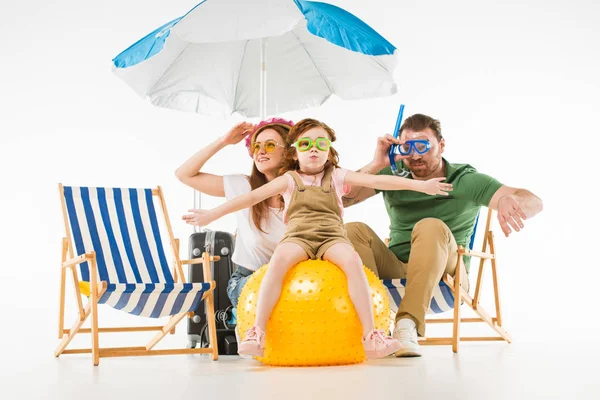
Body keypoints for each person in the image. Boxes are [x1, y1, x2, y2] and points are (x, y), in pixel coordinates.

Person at [183, 118, 453, 359]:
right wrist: (211, 215)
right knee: (277, 266)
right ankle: (257, 332)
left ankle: (373, 334)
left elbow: (378, 181)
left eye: (320, 143)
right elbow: (250, 198)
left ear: (329, 151)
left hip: (331, 237)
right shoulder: (288, 180)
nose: (313, 148)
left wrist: (421, 185)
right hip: (296, 239)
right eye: (306, 143)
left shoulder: (335, 176)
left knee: (354, 265)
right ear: (295, 151)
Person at [342, 113, 544, 357]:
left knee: (429, 226)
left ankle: (407, 325)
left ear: (442, 145)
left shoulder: (464, 180)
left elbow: (534, 201)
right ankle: (374, 328)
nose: (415, 155)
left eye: (423, 145)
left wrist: (510, 200)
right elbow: (340, 197)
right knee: (352, 230)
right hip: (395, 269)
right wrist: (376, 164)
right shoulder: (394, 176)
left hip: (447, 277)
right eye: (407, 147)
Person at [175, 118, 294, 309]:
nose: (261, 151)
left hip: (295, 281)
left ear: (289, 152)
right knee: (273, 292)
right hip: (250, 281)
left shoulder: (304, 191)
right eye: (256, 146)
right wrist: (223, 141)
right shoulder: (242, 186)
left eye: (270, 145)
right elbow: (184, 174)